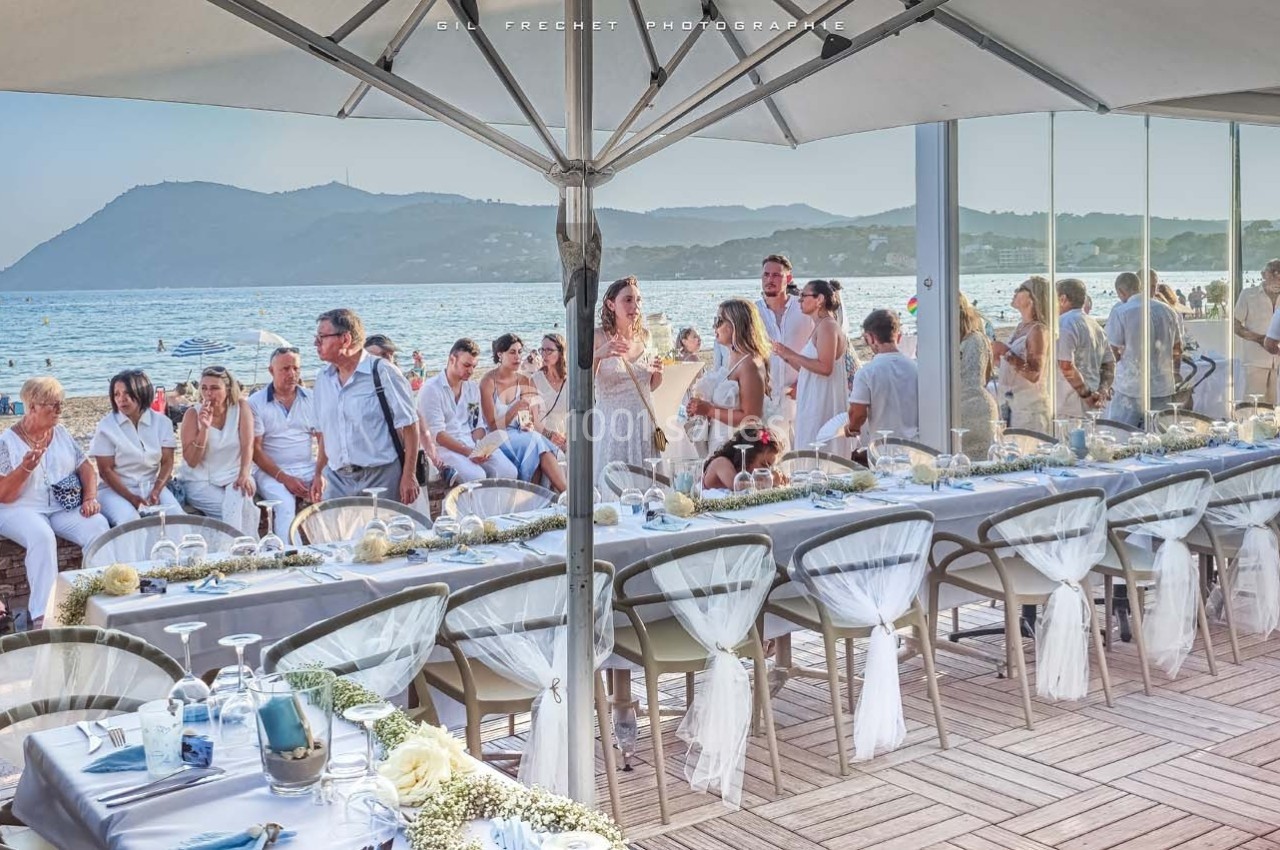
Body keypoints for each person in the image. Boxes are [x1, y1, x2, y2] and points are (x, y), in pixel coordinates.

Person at [0, 377, 108, 627]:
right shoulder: (6, 442)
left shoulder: (60, 433)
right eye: (52, 404)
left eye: (61, 403)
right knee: (42, 536)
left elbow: (87, 469)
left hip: (60, 508)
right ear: (32, 407)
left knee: (98, 525)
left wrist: (90, 497)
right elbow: (5, 495)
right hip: (18, 509)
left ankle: (97, 598)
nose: (59, 409)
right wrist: (25, 469)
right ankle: (43, 614)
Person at [312, 308, 421, 505]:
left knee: (381, 535)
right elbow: (324, 434)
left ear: (345, 339)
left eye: (322, 337)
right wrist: (318, 473)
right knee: (335, 535)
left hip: (381, 477)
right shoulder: (322, 379)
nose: (316, 343)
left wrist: (408, 475)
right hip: (337, 480)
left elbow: (411, 426)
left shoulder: (383, 372)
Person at [592, 276, 664, 489]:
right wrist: (599, 355)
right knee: (614, 487)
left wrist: (658, 372)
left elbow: (650, 386)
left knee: (647, 488)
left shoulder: (646, 336)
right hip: (613, 425)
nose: (635, 306)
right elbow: (583, 385)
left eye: (638, 300)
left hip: (643, 422)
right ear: (611, 304)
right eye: (628, 300)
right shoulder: (597, 336)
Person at [418, 338, 520, 483]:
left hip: (471, 443)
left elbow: (476, 425)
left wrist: (482, 449)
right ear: (452, 359)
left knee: (509, 471)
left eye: (474, 366)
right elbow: (438, 435)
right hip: (444, 448)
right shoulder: (431, 389)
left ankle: (496, 505)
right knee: (476, 476)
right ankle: (473, 504)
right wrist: (468, 452)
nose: (471, 371)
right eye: (466, 365)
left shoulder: (472, 388)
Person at [91, 369, 183, 526]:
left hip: (151, 485)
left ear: (142, 393)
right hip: (114, 490)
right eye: (117, 394)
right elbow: (106, 471)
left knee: (177, 518)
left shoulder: (162, 422)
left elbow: (167, 462)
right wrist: (132, 498)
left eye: (128, 393)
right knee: (130, 520)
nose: (122, 399)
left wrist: (156, 490)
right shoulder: (106, 426)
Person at [774, 280, 853, 456]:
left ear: (820, 300)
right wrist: (785, 356)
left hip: (822, 403)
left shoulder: (827, 326)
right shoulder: (819, 325)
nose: (799, 300)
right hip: (812, 400)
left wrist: (792, 354)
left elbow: (826, 368)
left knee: (818, 452)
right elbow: (809, 369)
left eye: (804, 296)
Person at [479, 334, 567, 490]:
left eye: (520, 352)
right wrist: (514, 408)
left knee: (535, 442)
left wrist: (527, 424)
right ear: (500, 354)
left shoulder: (523, 380)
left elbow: (525, 419)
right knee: (536, 443)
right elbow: (493, 426)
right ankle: (565, 496)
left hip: (519, 435)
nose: (518, 357)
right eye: (512, 352)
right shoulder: (488, 382)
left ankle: (564, 494)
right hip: (498, 436)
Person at [178, 366, 258, 533]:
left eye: (215, 388)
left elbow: (247, 445)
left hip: (233, 474)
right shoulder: (192, 414)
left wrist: (244, 473)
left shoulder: (241, 408)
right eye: (204, 388)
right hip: (200, 480)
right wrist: (204, 429)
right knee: (233, 510)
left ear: (228, 390)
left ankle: (238, 550)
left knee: (241, 496)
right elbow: (191, 462)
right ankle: (245, 549)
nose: (208, 393)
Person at [249, 346, 318, 539]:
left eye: (296, 368)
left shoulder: (311, 398)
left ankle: (330, 550)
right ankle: (292, 555)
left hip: (307, 466)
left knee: (334, 494)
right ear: (271, 371)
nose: (292, 374)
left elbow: (324, 440)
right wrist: (284, 477)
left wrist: (320, 474)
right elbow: (255, 450)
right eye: (285, 369)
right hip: (271, 471)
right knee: (285, 504)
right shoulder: (256, 402)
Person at [686, 299, 770, 454]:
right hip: (719, 443)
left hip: (738, 448)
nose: (714, 326)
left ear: (735, 325)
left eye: (719, 321)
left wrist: (709, 410)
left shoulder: (750, 364)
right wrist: (700, 407)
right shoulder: (733, 359)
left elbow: (751, 418)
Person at [1107, 271, 1183, 427]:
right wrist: (1175, 375)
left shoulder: (1121, 311)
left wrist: (1107, 382)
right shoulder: (1168, 311)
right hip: (1163, 385)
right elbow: (1177, 349)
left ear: (1121, 292)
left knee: (1121, 434)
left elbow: (1112, 352)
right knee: (1160, 436)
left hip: (1131, 386)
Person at [754, 254, 814, 448]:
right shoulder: (753, 313)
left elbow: (819, 349)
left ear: (788, 278)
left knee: (804, 451)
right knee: (772, 455)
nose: (770, 280)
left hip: (801, 394)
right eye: (766, 275)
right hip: (767, 399)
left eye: (776, 275)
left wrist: (805, 381)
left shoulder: (803, 309)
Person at [847, 309, 919, 443]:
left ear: (871, 338)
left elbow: (859, 414)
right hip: (916, 445)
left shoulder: (866, 373)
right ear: (898, 336)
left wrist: (851, 428)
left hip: (883, 447)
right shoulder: (916, 368)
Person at [992, 276, 1052, 433]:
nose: (1015, 292)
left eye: (1020, 289)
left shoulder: (1038, 330)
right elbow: (1014, 369)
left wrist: (1006, 353)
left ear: (1032, 298)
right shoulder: (1020, 327)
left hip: (1030, 409)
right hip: (1011, 403)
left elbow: (1034, 374)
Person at [1056, 278, 1115, 418]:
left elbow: (1066, 365)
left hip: (1069, 405)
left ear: (1062, 299)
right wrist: (1103, 390)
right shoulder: (1095, 325)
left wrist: (1086, 395)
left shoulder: (1064, 323)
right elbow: (1109, 364)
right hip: (1092, 402)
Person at [957, 293, 998, 456]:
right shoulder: (979, 338)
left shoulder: (964, 340)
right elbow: (986, 376)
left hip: (964, 409)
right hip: (979, 405)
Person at [701, 425, 785, 492]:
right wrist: (771, 480)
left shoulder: (748, 476)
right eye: (763, 464)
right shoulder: (721, 463)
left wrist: (782, 479)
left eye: (770, 467)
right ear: (748, 456)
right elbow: (737, 486)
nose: (767, 470)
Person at [1241, 259, 1280, 402]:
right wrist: (1259, 339)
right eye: (1274, 272)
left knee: (1272, 405)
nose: (1278, 276)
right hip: (1255, 359)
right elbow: (1235, 324)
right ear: (1263, 274)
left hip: (1277, 360)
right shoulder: (1248, 294)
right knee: (1252, 404)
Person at [531, 334, 568, 452]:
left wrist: (567, 438)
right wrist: (549, 435)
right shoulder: (535, 379)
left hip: (567, 436)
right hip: (543, 435)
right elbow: (533, 419)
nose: (544, 354)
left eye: (549, 350)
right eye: (542, 350)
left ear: (561, 352)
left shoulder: (571, 380)